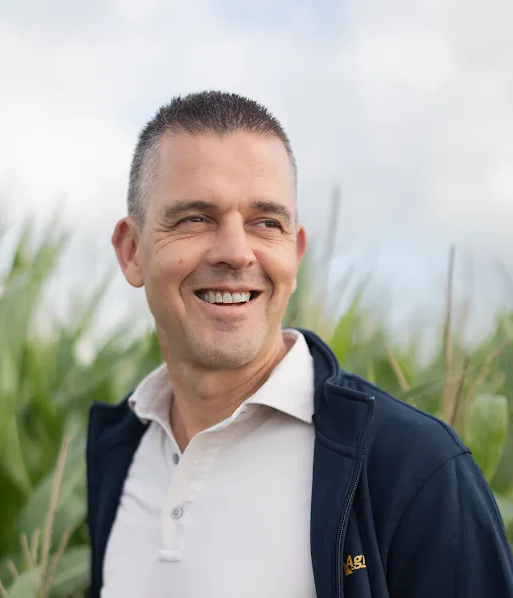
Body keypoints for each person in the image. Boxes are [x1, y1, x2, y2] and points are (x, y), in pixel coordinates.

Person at [86, 90, 513, 598]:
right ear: (132, 252)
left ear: (295, 250)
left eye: (266, 223)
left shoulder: (414, 470)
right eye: (195, 218)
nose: (236, 252)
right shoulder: (118, 453)